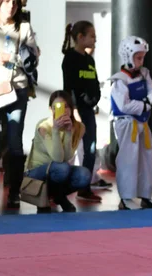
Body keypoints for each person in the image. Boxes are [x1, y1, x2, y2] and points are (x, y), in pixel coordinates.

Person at [0, 0, 38, 209]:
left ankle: (14, 192)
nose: (11, 5)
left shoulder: (24, 27)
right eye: (6, 1)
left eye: (14, 1)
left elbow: (33, 58)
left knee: (14, 142)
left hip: (17, 90)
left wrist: (11, 57)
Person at [110, 36, 152, 210]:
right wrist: (146, 103)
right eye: (138, 57)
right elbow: (124, 105)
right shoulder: (120, 80)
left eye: (142, 57)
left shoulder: (144, 73)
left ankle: (145, 195)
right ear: (127, 57)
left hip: (142, 122)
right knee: (128, 160)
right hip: (127, 125)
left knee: (147, 158)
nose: (141, 61)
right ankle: (126, 198)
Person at [24, 90, 90, 213]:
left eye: (66, 107)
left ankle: (57, 196)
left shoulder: (79, 127)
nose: (63, 111)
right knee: (62, 168)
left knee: (84, 175)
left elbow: (67, 157)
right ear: (51, 109)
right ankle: (51, 198)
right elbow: (58, 159)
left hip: (58, 169)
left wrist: (69, 132)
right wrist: (55, 130)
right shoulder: (44, 126)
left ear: (71, 108)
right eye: (58, 107)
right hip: (35, 173)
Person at [62, 20, 103, 202]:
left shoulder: (89, 59)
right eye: (92, 36)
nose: (95, 39)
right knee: (68, 151)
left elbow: (92, 82)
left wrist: (94, 101)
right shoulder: (70, 58)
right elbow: (69, 87)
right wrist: (75, 110)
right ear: (80, 37)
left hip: (87, 111)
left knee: (90, 149)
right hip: (73, 111)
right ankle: (60, 188)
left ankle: (84, 187)